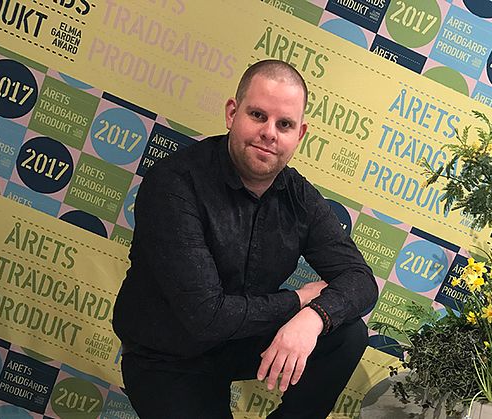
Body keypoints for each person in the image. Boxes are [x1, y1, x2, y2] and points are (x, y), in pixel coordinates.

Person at [112, 59, 378, 419]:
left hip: (237, 344)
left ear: (299, 135)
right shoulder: (175, 183)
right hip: (167, 356)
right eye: (258, 115)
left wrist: (314, 316)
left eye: (284, 124)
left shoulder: (298, 195)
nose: (270, 133)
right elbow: (206, 316)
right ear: (232, 113)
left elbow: (361, 281)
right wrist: (300, 299)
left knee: (346, 334)